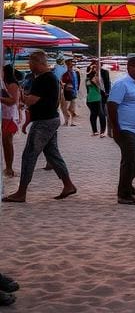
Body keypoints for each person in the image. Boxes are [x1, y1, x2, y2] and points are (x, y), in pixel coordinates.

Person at [2, 51, 77, 203]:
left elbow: (31, 101)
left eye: (30, 62)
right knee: (52, 154)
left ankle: (21, 192)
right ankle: (68, 185)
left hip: (44, 121)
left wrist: (23, 95)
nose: (29, 65)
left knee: (29, 155)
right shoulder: (51, 78)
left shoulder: (43, 79)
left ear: (38, 63)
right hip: (49, 119)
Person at [107, 55, 135, 204]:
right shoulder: (122, 84)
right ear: (130, 67)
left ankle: (127, 183)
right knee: (129, 160)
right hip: (124, 129)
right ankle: (123, 194)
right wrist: (115, 127)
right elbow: (111, 106)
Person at [2, 65, 22, 177]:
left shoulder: (13, 85)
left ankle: (9, 168)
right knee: (5, 143)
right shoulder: (5, 84)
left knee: (8, 143)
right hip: (5, 116)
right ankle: (8, 167)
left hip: (10, 117)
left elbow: (12, 101)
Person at [84, 61, 108, 137]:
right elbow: (88, 87)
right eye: (92, 68)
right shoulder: (88, 79)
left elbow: (101, 86)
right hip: (92, 98)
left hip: (98, 98)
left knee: (101, 114)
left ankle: (102, 131)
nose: (94, 69)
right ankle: (95, 131)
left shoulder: (98, 77)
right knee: (94, 114)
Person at [60, 58, 80, 126]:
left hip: (73, 93)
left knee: (72, 108)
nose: (71, 66)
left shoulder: (75, 73)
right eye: (69, 64)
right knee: (64, 107)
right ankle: (66, 120)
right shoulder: (64, 73)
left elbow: (76, 83)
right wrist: (65, 85)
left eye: (71, 64)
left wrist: (76, 90)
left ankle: (71, 122)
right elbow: (62, 82)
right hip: (67, 93)